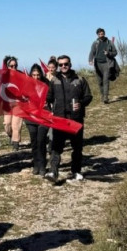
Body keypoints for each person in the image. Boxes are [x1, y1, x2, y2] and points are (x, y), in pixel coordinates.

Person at [45, 55, 92, 184]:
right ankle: (53, 171)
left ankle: (76, 171)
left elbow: (88, 96)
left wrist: (81, 103)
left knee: (77, 147)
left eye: (65, 64)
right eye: (60, 65)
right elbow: (48, 98)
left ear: (70, 64)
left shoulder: (80, 79)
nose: (63, 66)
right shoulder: (54, 81)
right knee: (56, 147)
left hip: (76, 119)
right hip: (59, 119)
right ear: (58, 66)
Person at [25, 63, 51, 176]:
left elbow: (52, 96)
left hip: (44, 116)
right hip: (30, 117)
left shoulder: (47, 84)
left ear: (41, 74)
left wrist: (48, 101)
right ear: (31, 75)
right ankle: (36, 164)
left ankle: (42, 165)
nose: (36, 77)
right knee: (34, 141)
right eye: (34, 75)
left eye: (38, 75)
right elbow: (21, 98)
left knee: (41, 140)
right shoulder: (27, 84)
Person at [87, 28, 118, 104]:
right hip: (97, 64)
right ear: (97, 35)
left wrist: (108, 53)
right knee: (100, 81)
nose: (101, 35)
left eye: (102, 33)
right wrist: (90, 60)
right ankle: (102, 95)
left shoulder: (109, 42)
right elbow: (92, 52)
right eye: (99, 34)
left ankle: (105, 97)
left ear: (104, 33)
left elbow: (115, 52)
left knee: (105, 80)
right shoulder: (95, 43)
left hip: (106, 63)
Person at [0, 56, 24, 148]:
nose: (14, 68)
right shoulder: (3, 76)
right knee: (7, 123)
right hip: (7, 104)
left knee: (16, 123)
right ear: (7, 66)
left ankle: (15, 142)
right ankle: (10, 135)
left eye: (15, 65)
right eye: (11, 66)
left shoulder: (21, 75)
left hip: (19, 103)